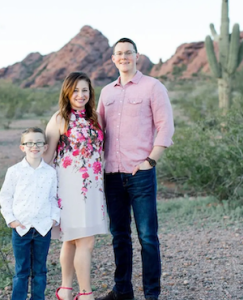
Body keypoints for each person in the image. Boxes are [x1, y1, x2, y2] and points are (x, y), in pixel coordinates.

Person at [96, 38, 174, 300]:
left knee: (148, 237)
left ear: (136, 56)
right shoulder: (106, 92)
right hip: (112, 175)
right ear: (113, 59)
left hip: (140, 173)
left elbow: (166, 126)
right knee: (119, 236)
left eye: (128, 52)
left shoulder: (153, 87)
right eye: (119, 53)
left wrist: (150, 161)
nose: (124, 57)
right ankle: (123, 291)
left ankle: (152, 293)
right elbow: (98, 130)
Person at [44, 72, 108, 300]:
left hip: (93, 189)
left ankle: (65, 289)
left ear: (90, 93)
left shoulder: (96, 118)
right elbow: (47, 158)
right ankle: (86, 294)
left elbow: (101, 151)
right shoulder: (59, 118)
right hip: (69, 188)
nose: (81, 95)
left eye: (85, 90)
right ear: (67, 92)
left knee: (72, 239)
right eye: (76, 90)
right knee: (86, 241)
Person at [0, 127, 60, 300]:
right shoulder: (15, 171)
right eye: (30, 143)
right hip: (21, 228)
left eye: (39, 142)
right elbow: (5, 197)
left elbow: (53, 197)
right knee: (21, 271)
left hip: (42, 228)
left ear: (45, 147)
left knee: (40, 270)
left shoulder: (50, 173)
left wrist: (54, 219)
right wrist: (11, 220)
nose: (35, 146)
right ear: (22, 147)